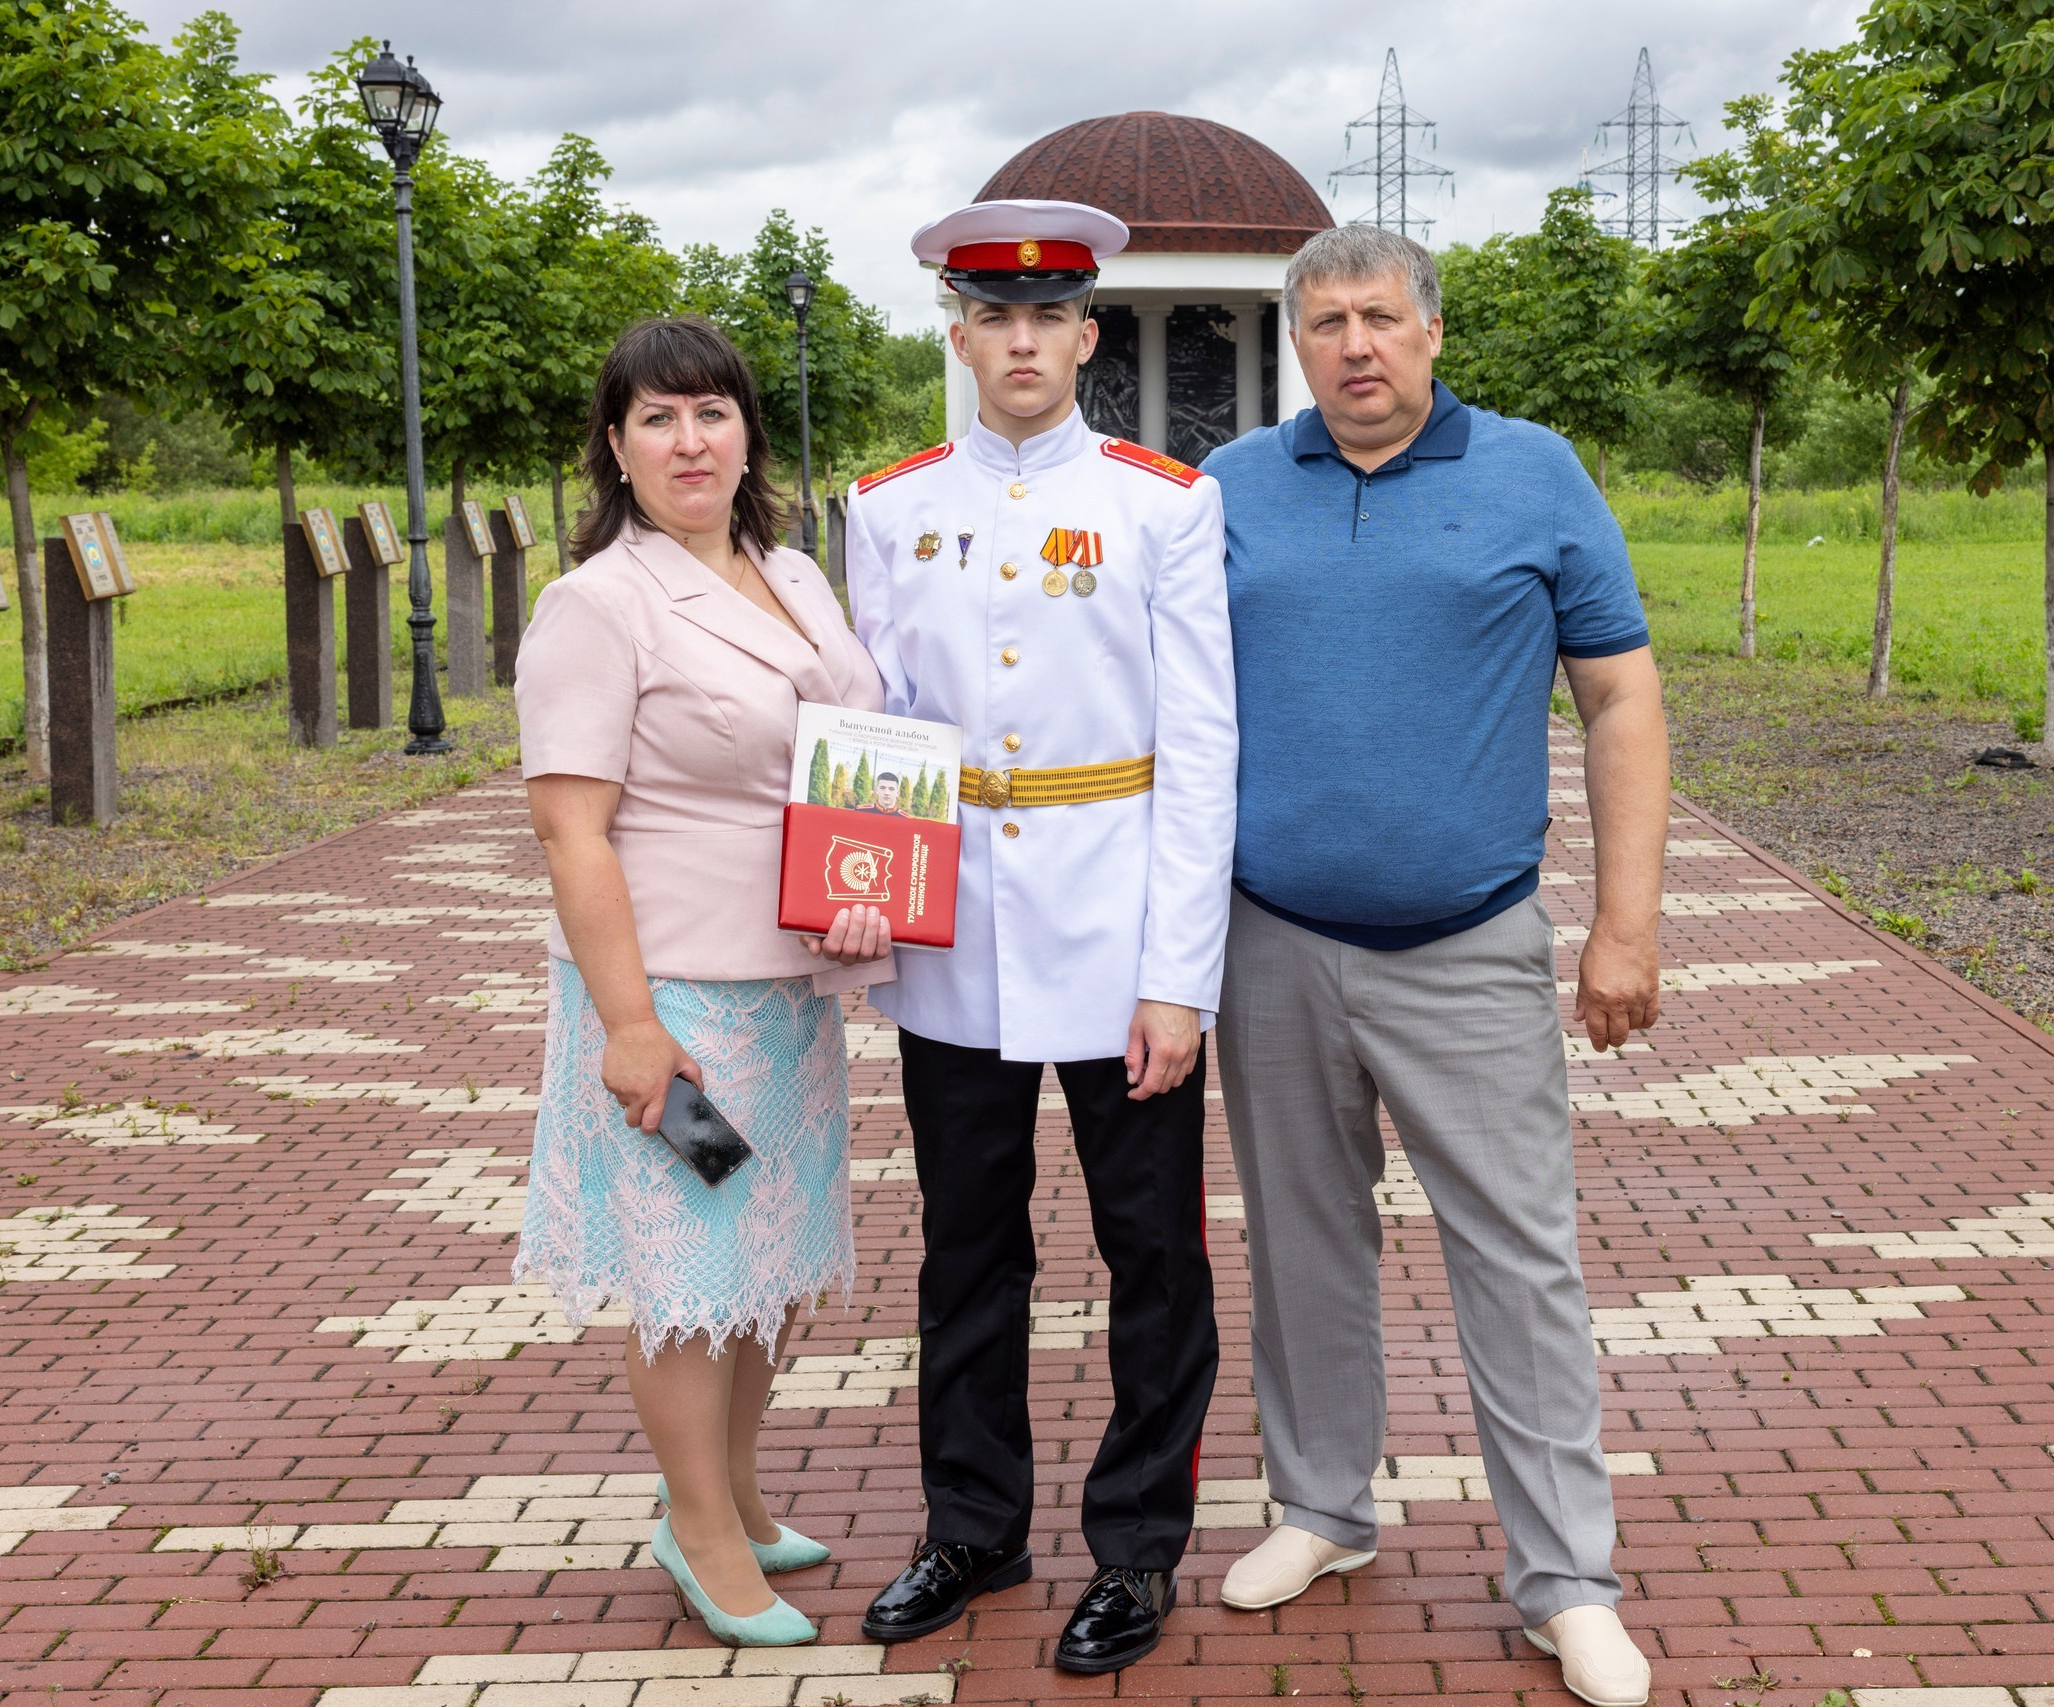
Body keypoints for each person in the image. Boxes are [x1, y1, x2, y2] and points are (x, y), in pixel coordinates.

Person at [1200, 224, 1669, 1707]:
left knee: (1520, 1261)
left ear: (1433, 332)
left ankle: (1565, 1580)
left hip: (1468, 943)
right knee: (1302, 1244)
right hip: (1269, 939)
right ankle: (1324, 1510)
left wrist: (1627, 921)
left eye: (1381, 319)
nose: (1355, 347)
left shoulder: (1536, 473)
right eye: (1326, 322)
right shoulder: (1227, 491)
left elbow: (1620, 697)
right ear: (1296, 343)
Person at [844, 198, 1238, 1676]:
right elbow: (872, 723)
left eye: (1047, 317)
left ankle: (1136, 1549)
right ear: (958, 332)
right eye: (991, 316)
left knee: (1153, 1259)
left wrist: (1177, 980)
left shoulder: (1162, 503)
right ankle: (973, 1525)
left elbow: (1202, 753)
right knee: (966, 1250)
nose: (1020, 341)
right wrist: (863, 913)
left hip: (1118, 934)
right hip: (954, 946)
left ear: (1087, 334)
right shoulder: (888, 508)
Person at [512, 316, 894, 1648]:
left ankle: (737, 1487)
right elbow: (572, 829)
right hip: (672, 1001)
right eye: (658, 418)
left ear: (747, 435)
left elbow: (849, 750)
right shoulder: (597, 604)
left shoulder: (790, 571)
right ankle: (702, 1533)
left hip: (787, 990)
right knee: (694, 1266)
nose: (690, 440)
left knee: (771, 1264)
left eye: (712, 413)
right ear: (616, 447)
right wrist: (629, 1027)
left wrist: (872, 896)